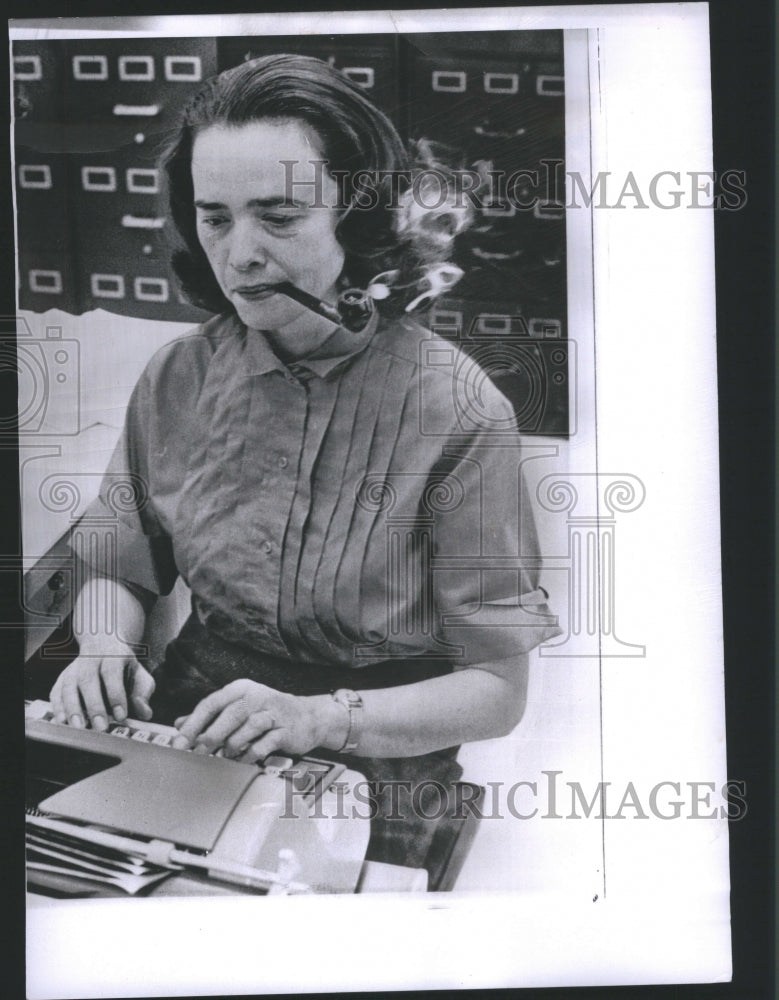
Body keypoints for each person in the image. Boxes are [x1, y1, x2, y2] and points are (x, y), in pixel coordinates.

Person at [49, 54, 561, 872]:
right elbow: (123, 563)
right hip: (197, 712)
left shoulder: (457, 411)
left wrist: (321, 719)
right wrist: (105, 644)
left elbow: (496, 694)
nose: (238, 254)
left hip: (381, 747)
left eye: (278, 216)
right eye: (214, 217)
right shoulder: (176, 375)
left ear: (355, 224)